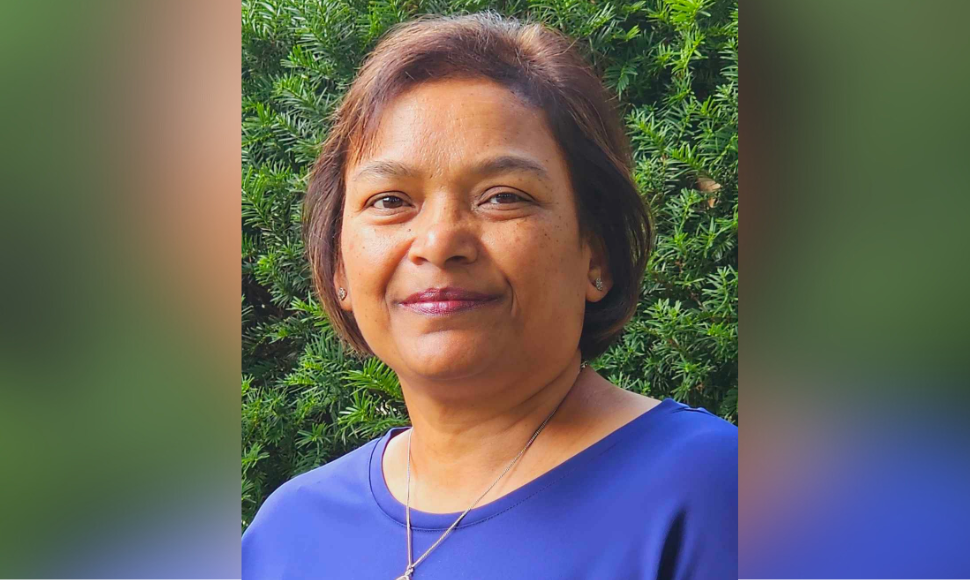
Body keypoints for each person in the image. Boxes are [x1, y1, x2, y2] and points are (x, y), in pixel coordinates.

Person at [242, 11, 736, 580]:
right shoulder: (288, 533)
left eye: (502, 196)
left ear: (595, 256)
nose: (439, 242)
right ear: (339, 267)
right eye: (390, 200)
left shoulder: (712, 494)